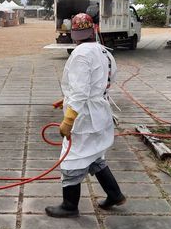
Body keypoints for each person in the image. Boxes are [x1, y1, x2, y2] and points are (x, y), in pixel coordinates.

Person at [46, 12, 125, 218]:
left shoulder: (81, 54)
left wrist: (68, 119)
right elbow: (98, 83)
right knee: (94, 155)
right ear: (93, 31)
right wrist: (67, 99)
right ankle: (115, 194)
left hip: (85, 119)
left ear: (74, 34)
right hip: (100, 113)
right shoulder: (104, 51)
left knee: (71, 158)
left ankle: (69, 205)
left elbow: (81, 91)